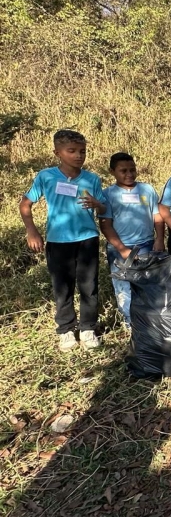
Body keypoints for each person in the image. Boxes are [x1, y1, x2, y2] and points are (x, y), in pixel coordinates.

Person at [20, 129, 107, 351]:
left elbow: (104, 209)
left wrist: (97, 204)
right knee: (62, 286)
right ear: (57, 153)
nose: (79, 155)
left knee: (89, 285)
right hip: (58, 241)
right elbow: (25, 204)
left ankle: (88, 328)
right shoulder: (46, 176)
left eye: (82, 151)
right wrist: (32, 231)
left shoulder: (92, 179)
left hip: (87, 239)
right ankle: (66, 330)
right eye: (72, 151)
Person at [98, 153, 165, 327]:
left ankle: (150, 323)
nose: (129, 174)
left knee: (148, 285)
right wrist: (122, 249)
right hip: (120, 249)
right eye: (123, 171)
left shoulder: (147, 190)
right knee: (124, 288)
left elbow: (157, 217)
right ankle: (131, 324)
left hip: (147, 246)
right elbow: (106, 226)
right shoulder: (107, 195)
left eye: (132, 170)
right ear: (112, 171)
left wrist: (159, 239)